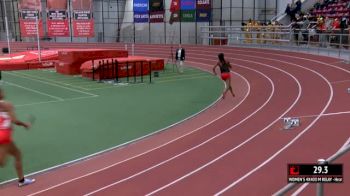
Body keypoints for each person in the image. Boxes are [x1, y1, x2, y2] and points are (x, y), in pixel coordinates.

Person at [0, 88, 35, 187]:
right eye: (2, 91)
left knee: (17, 154)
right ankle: (22, 181)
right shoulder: (7, 104)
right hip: (3, 135)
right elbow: (15, 121)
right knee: (2, 162)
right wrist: (25, 124)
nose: (4, 92)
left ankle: (22, 180)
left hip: (3, 136)